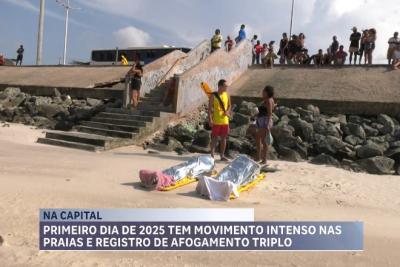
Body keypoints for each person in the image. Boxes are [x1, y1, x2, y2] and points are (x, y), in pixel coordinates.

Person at [208, 79, 231, 161]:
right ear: (220, 86)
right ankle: (212, 155)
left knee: (224, 138)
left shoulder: (227, 95)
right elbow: (210, 109)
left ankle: (222, 155)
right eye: (225, 86)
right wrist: (210, 119)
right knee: (214, 138)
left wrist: (227, 112)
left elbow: (229, 106)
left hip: (225, 120)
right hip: (216, 120)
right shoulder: (213, 95)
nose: (226, 87)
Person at [255, 85, 275, 165]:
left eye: (263, 91)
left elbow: (269, 113)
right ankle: (260, 157)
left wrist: (268, 124)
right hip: (261, 121)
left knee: (263, 140)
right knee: (260, 139)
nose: (262, 92)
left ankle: (263, 158)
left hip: (265, 121)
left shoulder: (269, 100)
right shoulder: (268, 100)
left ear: (267, 92)